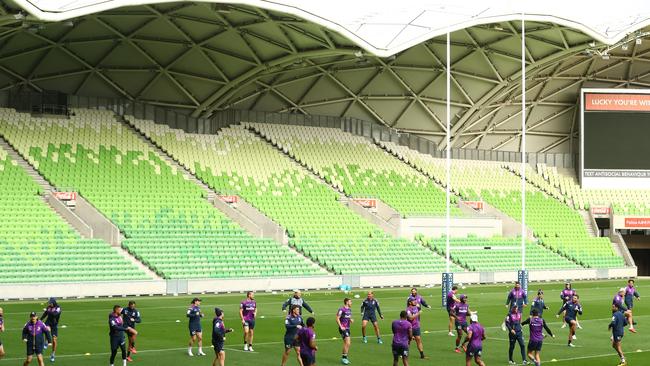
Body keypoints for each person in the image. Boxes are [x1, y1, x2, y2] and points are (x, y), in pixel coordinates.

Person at [40, 298, 60, 363]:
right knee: (47, 330)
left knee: (54, 339)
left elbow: (54, 314)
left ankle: (53, 354)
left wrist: (48, 311)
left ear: (53, 302)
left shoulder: (58, 308)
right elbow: (45, 314)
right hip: (48, 322)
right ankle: (46, 341)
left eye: (50, 303)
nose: (49, 304)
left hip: (54, 324)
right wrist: (40, 320)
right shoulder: (49, 307)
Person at [336, 298, 353, 365]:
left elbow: (347, 317)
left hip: (347, 328)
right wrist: (341, 326)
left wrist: (350, 320)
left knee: (348, 343)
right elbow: (337, 318)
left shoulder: (349, 309)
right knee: (347, 342)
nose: (351, 303)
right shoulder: (341, 309)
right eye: (350, 302)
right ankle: (344, 358)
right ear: (346, 302)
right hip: (343, 328)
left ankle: (345, 357)